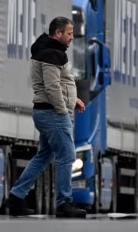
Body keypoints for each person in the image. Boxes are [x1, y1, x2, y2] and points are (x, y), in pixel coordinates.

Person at [6, 16, 87, 218]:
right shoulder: (51, 54)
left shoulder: (49, 51)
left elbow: (58, 83)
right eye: (69, 33)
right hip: (52, 112)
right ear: (57, 33)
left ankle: (16, 197)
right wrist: (63, 110)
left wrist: (73, 99)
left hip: (46, 110)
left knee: (44, 156)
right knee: (67, 155)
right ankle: (64, 202)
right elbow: (52, 87)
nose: (72, 38)